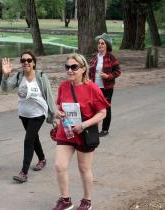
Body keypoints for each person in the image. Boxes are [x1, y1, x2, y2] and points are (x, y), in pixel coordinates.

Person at [52, 53, 109, 210]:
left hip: (84, 133)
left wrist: (84, 125)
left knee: (84, 168)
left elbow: (102, 113)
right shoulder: (64, 86)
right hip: (66, 132)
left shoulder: (92, 88)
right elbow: (59, 108)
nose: (70, 70)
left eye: (74, 67)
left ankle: (87, 201)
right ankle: (65, 200)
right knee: (59, 165)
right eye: (67, 67)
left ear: (83, 69)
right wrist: (58, 115)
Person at [1, 50, 56, 183]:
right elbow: (5, 88)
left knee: (28, 140)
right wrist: (5, 74)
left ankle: (23, 172)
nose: (26, 62)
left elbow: (49, 96)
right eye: (23, 60)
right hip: (24, 114)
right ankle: (42, 159)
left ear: (34, 63)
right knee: (33, 138)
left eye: (29, 60)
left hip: (38, 113)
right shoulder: (19, 76)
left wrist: (53, 116)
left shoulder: (41, 76)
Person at [89, 33, 121, 137]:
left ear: (106, 45)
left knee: (106, 108)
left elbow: (118, 71)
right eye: (99, 43)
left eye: (102, 43)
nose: (100, 45)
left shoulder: (111, 57)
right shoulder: (94, 57)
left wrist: (108, 76)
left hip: (107, 88)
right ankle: (93, 128)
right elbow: (90, 72)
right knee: (94, 108)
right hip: (94, 87)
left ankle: (105, 130)